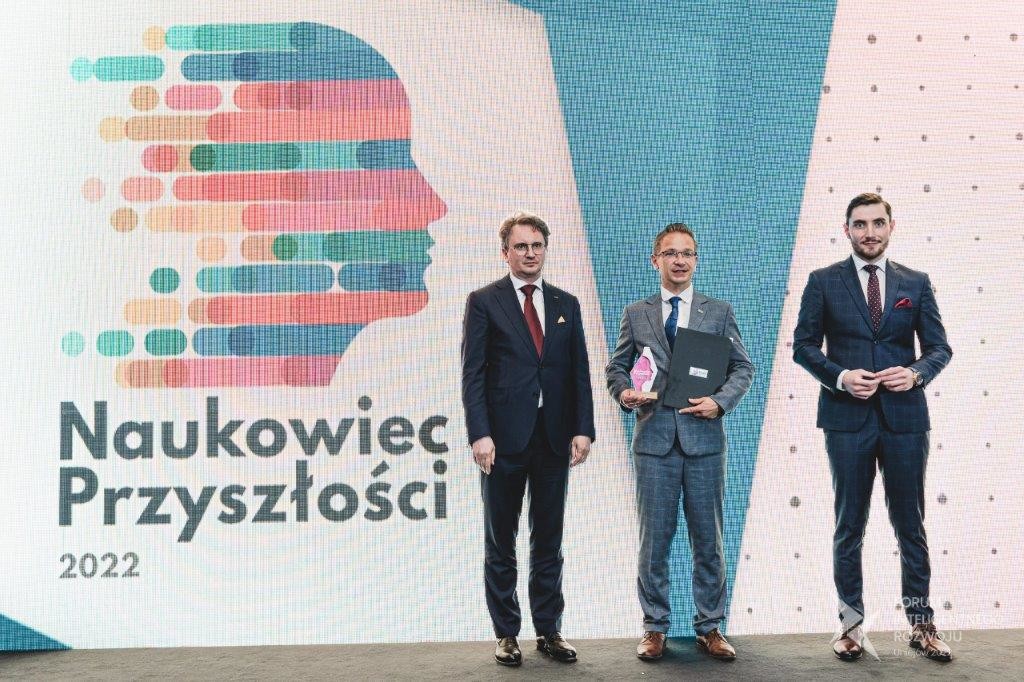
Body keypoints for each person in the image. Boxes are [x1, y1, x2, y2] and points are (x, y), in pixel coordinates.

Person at [792, 192, 953, 662]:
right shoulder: (823, 281)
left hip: (905, 421)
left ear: (891, 226)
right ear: (847, 230)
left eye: (877, 223)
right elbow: (804, 347)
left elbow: (939, 348)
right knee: (849, 525)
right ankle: (849, 626)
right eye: (860, 224)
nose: (869, 232)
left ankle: (921, 625)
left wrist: (916, 373)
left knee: (910, 525)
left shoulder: (915, 283)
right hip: (846, 421)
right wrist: (841, 377)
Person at [605, 223, 753, 661]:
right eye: (670, 253)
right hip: (654, 443)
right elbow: (617, 368)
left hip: (704, 442)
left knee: (708, 539)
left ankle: (710, 626)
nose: (680, 260)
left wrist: (719, 402)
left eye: (687, 253)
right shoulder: (636, 313)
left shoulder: (718, 312)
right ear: (656, 260)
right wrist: (623, 393)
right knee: (654, 541)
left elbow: (743, 368)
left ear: (696, 260)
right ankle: (654, 627)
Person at [461, 212, 595, 666]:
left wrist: (583, 427)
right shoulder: (484, 301)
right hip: (501, 441)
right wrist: (479, 434)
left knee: (549, 539)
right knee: (501, 540)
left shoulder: (565, 303)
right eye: (521, 246)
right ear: (506, 253)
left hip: (554, 438)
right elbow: (472, 375)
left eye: (537, 245)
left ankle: (549, 630)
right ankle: (506, 633)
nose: (531, 253)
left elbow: (579, 371)